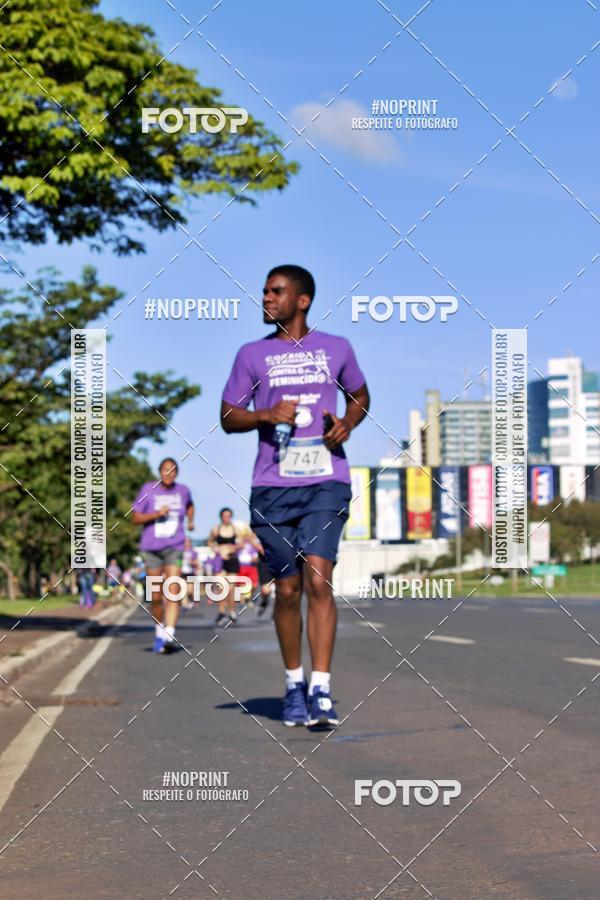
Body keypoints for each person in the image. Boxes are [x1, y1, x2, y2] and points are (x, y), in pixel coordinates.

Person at [221, 264, 369, 726]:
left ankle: (321, 689)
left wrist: (347, 423)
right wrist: (264, 414)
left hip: (326, 482)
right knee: (287, 590)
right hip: (272, 487)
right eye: (265, 291)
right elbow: (228, 416)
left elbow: (360, 395)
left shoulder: (337, 348)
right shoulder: (251, 355)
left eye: (276, 291)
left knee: (318, 579)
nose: (267, 298)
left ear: (302, 300)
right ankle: (293, 685)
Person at [132, 458, 194, 653]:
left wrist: (191, 521)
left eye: (173, 470)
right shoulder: (148, 489)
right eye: (166, 470)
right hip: (151, 548)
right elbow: (135, 517)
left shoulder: (183, 491)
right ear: (160, 472)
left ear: (177, 473)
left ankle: (170, 633)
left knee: (173, 590)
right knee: (156, 596)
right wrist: (156, 514)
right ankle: (159, 631)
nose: (169, 473)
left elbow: (190, 505)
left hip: (175, 546)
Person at [208, 508, 242, 625]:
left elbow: (241, 543)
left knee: (231, 589)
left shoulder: (235, 529)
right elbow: (210, 541)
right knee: (222, 588)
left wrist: (234, 548)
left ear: (231, 516)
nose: (226, 518)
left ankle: (232, 612)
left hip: (232, 560)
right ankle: (221, 612)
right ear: (221, 517)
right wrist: (215, 548)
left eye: (228, 516)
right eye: (224, 516)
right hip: (220, 560)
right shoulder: (216, 529)